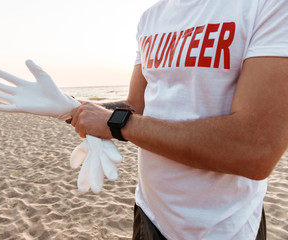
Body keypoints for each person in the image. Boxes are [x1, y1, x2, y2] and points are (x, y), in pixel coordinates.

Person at [69, 0, 288, 239]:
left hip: (225, 226)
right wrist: (69, 107)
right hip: (150, 213)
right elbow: (136, 106)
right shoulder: (150, 17)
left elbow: (255, 149)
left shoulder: (269, 6)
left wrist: (119, 123)